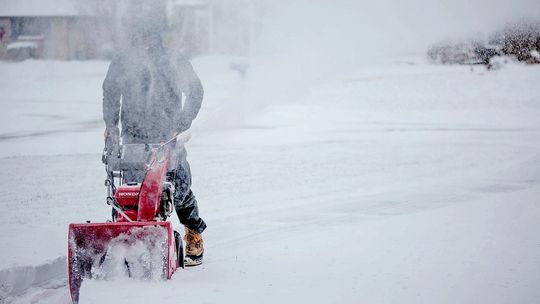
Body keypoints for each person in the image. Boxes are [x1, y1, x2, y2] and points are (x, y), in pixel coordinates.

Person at [102, 23, 206, 266]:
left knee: (178, 188)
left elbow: (195, 91)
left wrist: (180, 125)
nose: (144, 42)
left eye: (149, 36)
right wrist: (111, 125)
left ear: (157, 37)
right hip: (133, 138)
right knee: (131, 193)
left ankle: (193, 233)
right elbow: (110, 91)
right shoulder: (122, 62)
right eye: (140, 36)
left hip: (167, 137)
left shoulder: (173, 61)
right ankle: (128, 241)